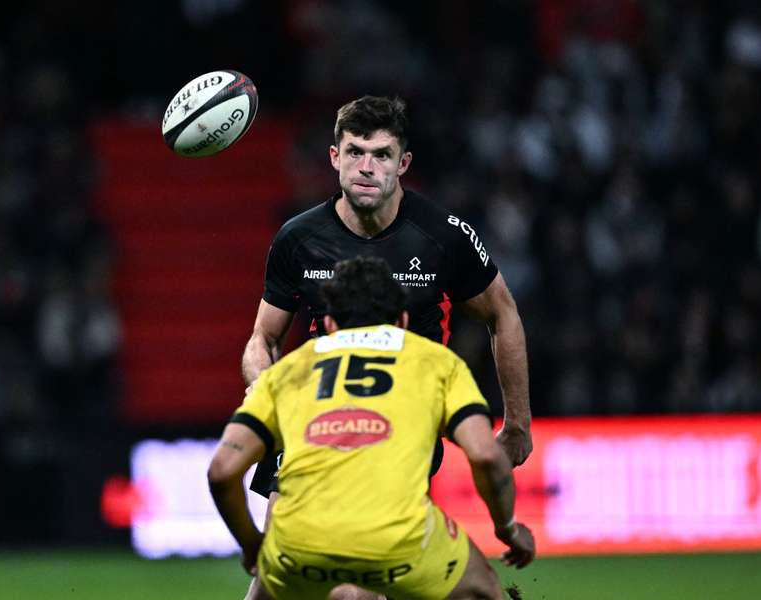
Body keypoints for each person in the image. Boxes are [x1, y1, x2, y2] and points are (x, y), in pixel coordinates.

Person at [242, 95, 533, 599]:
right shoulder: (298, 238)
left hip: (400, 424)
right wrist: (272, 396)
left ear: (404, 164)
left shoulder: (442, 236)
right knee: (282, 572)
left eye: (381, 155)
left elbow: (502, 312)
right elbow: (261, 339)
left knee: (351, 583)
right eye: (354, 152)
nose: (366, 167)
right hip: (316, 413)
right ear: (334, 158)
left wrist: (519, 421)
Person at [210, 256, 535, 600]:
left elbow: (221, 471)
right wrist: (508, 529)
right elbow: (486, 456)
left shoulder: (288, 372)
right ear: (402, 320)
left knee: (274, 586)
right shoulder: (435, 363)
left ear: (331, 323)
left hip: (298, 544)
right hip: (398, 542)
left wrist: (250, 546)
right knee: (482, 589)